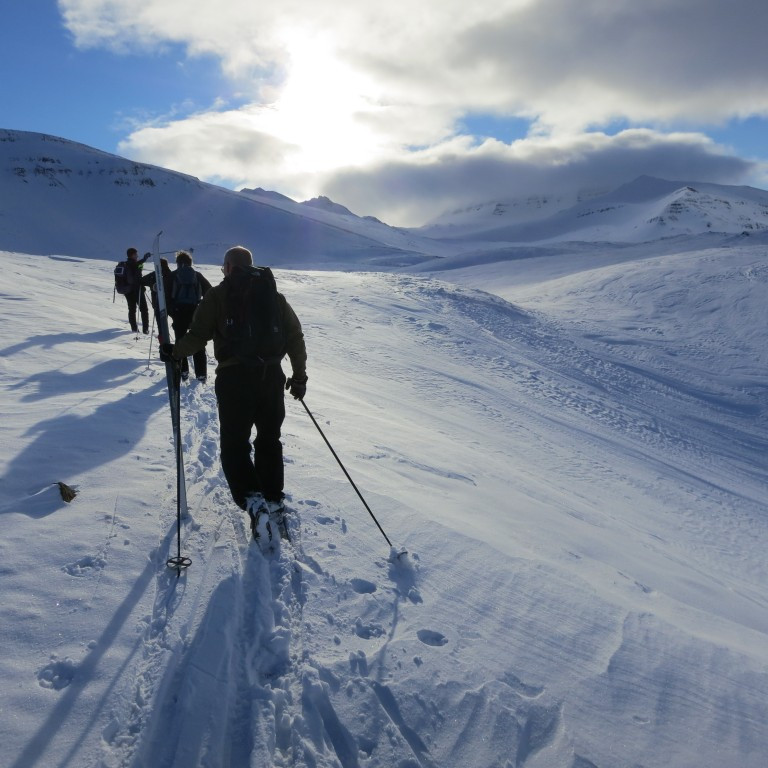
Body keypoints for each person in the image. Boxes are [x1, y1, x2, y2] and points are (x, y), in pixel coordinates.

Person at [168, 245, 307, 528]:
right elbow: (295, 337)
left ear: (229, 267)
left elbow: (198, 335)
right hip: (271, 377)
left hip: (234, 380)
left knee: (235, 443)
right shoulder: (274, 296)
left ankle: (252, 500)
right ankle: (273, 499)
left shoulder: (218, 296)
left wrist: (174, 352)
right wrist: (300, 376)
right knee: (269, 439)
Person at [169, 251, 212, 382]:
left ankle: (182, 371)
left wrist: (173, 312)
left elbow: (166, 296)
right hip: (195, 312)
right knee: (197, 340)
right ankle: (201, 373)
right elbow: (209, 292)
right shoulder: (197, 275)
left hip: (179, 313)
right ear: (190, 263)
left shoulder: (173, 276)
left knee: (180, 341)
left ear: (178, 263)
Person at [122, 247, 151, 334]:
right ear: (132, 255)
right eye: (136, 254)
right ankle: (145, 329)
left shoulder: (126, 264)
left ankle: (134, 329)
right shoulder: (132, 264)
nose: (137, 256)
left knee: (132, 309)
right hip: (137, 290)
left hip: (128, 291)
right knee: (144, 309)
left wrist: (142, 262)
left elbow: (138, 268)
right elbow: (137, 268)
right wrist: (144, 259)